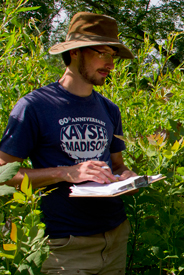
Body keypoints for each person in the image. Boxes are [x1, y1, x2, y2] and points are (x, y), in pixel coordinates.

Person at [0, 12, 137, 274]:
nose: (110, 63)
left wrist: (128, 178)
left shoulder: (109, 110)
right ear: (75, 52)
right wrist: (66, 173)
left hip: (116, 237)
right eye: (102, 53)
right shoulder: (35, 106)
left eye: (113, 56)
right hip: (65, 246)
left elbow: (117, 165)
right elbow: (3, 174)